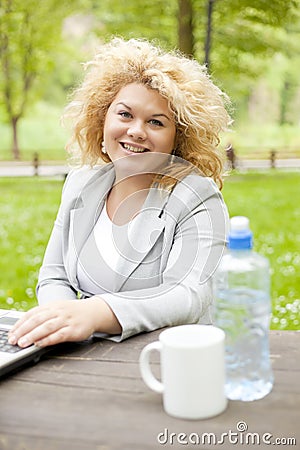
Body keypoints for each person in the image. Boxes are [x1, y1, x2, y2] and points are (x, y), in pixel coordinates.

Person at [8, 37, 231, 348]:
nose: (136, 130)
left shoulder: (197, 196)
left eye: (156, 122)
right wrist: (58, 323)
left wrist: (95, 313)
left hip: (166, 357)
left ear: (177, 138)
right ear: (103, 119)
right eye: (125, 114)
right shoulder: (81, 182)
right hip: (80, 352)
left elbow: (190, 294)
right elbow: (54, 277)